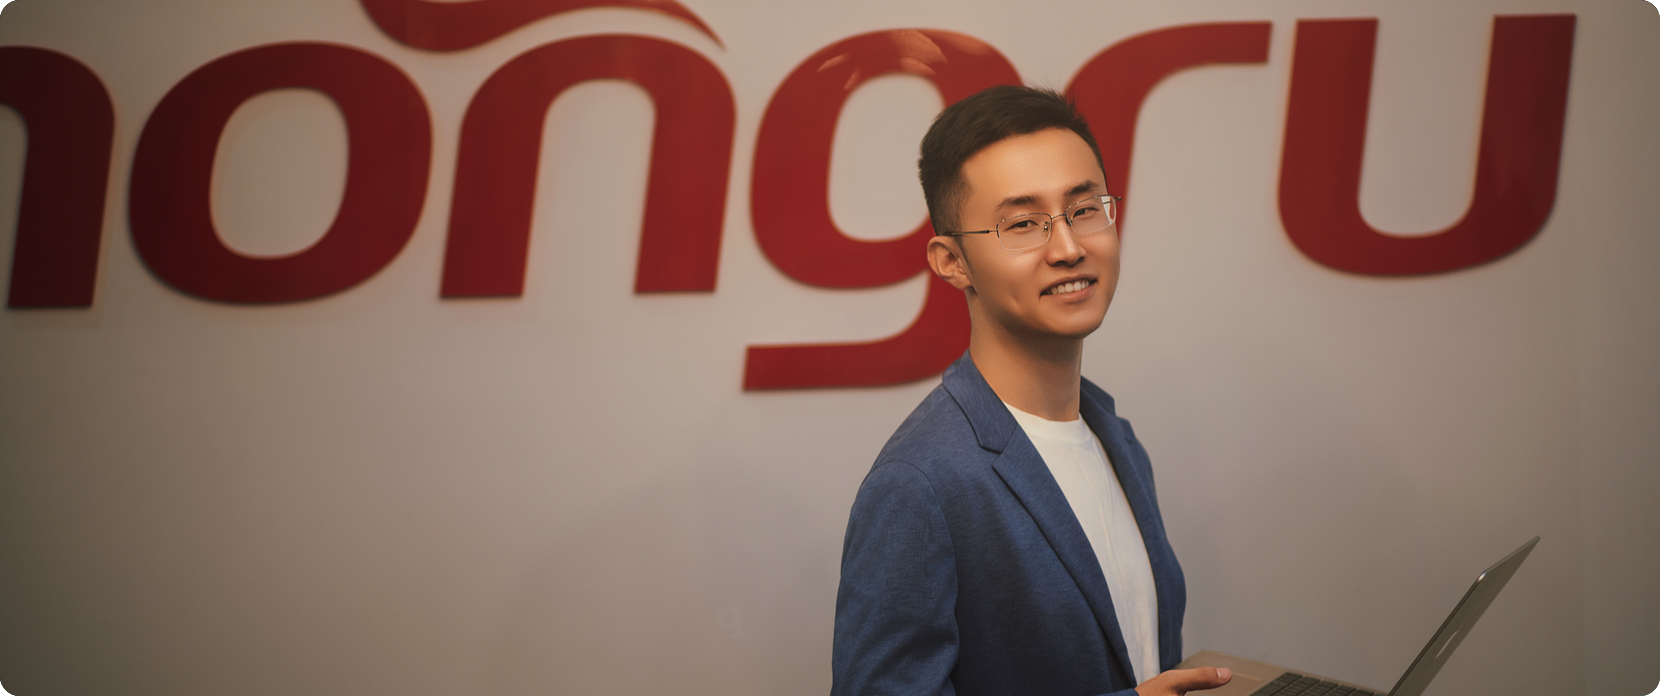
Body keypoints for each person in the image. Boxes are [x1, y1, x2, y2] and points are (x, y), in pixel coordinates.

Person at [829, 86, 1232, 696]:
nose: (1069, 248)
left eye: (1085, 209)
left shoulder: (1115, 437)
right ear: (951, 261)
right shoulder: (920, 483)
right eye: (1022, 224)